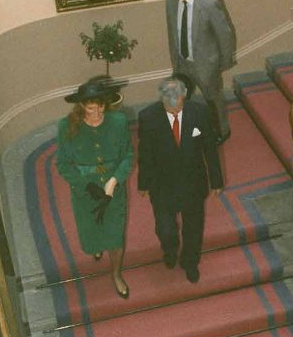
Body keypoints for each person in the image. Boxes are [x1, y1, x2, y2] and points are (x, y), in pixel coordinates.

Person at [138, 76, 223, 283]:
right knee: (165, 229)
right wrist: (143, 183)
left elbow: (210, 149)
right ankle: (170, 250)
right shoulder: (148, 117)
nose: (174, 112)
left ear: (185, 96)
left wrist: (216, 180)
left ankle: (190, 262)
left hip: (193, 182)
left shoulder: (200, 112)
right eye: (169, 109)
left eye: (177, 108)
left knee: (193, 227)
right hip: (161, 184)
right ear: (162, 100)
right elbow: (145, 153)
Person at [55, 77, 133, 298]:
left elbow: (128, 155)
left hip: (113, 193)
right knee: (92, 236)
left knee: (115, 237)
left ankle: (116, 274)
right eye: (91, 109)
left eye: (100, 107)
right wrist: (85, 185)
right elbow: (62, 163)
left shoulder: (118, 121)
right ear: (81, 106)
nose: (97, 113)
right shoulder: (67, 127)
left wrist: (114, 179)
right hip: (85, 194)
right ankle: (97, 247)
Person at [165, 0, 236, 144]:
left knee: (213, 99)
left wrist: (223, 62)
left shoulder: (210, 4)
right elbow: (172, 29)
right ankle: (188, 130)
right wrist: (175, 59)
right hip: (181, 62)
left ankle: (222, 131)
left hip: (206, 64)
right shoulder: (170, 0)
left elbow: (225, 35)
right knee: (179, 99)